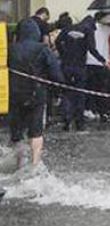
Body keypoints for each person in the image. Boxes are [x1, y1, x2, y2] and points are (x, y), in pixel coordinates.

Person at [8, 19, 64, 170]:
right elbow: (56, 74)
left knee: (17, 132)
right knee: (36, 131)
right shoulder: (43, 49)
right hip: (36, 95)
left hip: (13, 95)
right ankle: (34, 164)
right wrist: (58, 92)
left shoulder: (10, 49)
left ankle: (18, 164)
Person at [55, 14, 108, 131]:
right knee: (80, 95)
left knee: (67, 93)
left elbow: (57, 41)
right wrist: (103, 61)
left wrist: (64, 54)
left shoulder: (68, 28)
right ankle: (79, 123)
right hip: (80, 67)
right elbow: (92, 49)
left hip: (67, 66)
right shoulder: (88, 30)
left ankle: (67, 121)